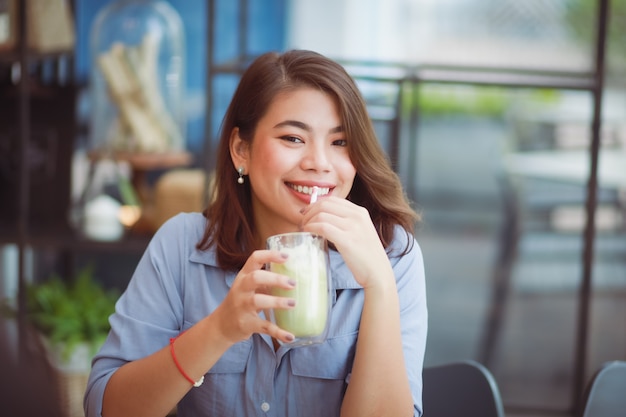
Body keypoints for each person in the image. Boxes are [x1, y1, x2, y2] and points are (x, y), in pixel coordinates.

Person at [84, 49, 427, 417]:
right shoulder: (182, 245)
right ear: (240, 150)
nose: (319, 163)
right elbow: (107, 409)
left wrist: (379, 285)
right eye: (293, 138)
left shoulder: (391, 255)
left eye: (340, 142)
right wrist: (218, 330)